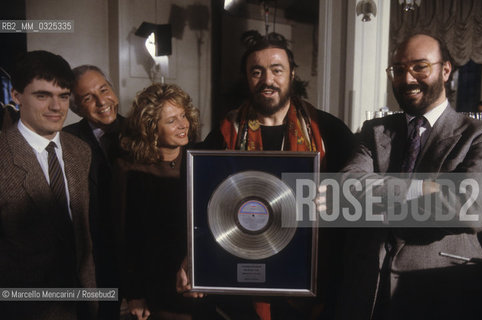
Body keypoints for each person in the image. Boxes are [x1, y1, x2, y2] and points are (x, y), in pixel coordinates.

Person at [177, 31, 355, 320]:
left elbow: (356, 191)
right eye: (257, 72)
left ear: (292, 74)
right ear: (247, 77)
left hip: (311, 277)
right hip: (241, 275)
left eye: (277, 70)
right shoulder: (225, 132)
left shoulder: (328, 130)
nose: (267, 80)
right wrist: (192, 254)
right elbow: (202, 202)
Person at [337, 34, 482, 320]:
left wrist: (378, 195)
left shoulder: (481, 134)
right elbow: (347, 186)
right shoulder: (374, 131)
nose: (407, 78)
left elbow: (470, 210)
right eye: (398, 70)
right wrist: (428, 188)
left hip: (440, 290)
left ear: (445, 70)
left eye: (420, 67)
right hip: (367, 292)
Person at [0, 50, 97, 319]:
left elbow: (82, 236)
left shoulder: (80, 150)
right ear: (16, 96)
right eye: (43, 95)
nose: (56, 107)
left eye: (63, 96)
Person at [118, 83, 212, 320]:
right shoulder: (128, 169)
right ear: (151, 128)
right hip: (156, 286)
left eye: (183, 115)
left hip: (200, 282)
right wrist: (134, 293)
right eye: (171, 120)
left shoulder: (201, 159)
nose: (183, 124)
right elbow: (123, 236)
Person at [63, 65, 123, 320]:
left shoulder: (143, 130)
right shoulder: (66, 140)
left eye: (104, 90)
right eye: (88, 98)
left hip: (138, 252)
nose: (102, 102)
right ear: (76, 108)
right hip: (93, 257)